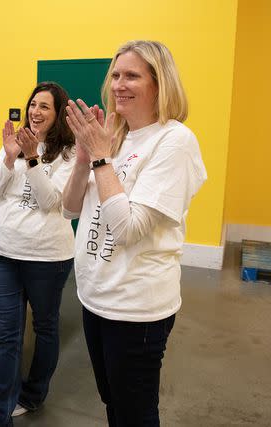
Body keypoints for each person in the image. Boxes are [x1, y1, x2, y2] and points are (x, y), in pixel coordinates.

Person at [62, 40, 207, 426]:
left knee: (135, 414)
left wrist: (99, 156)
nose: (118, 84)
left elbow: (127, 228)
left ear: (160, 84)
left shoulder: (174, 141)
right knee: (114, 401)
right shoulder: (116, 137)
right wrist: (82, 161)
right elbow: (69, 208)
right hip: (96, 296)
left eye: (132, 76)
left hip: (136, 308)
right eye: (115, 75)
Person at [0, 82, 76, 427]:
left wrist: (32, 158)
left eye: (45, 107)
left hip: (48, 258)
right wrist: (8, 156)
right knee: (8, 334)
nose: (35, 112)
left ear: (58, 114)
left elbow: (52, 202)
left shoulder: (69, 152)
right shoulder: (15, 144)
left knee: (45, 328)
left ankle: (33, 395)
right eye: (33, 105)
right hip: (5, 252)